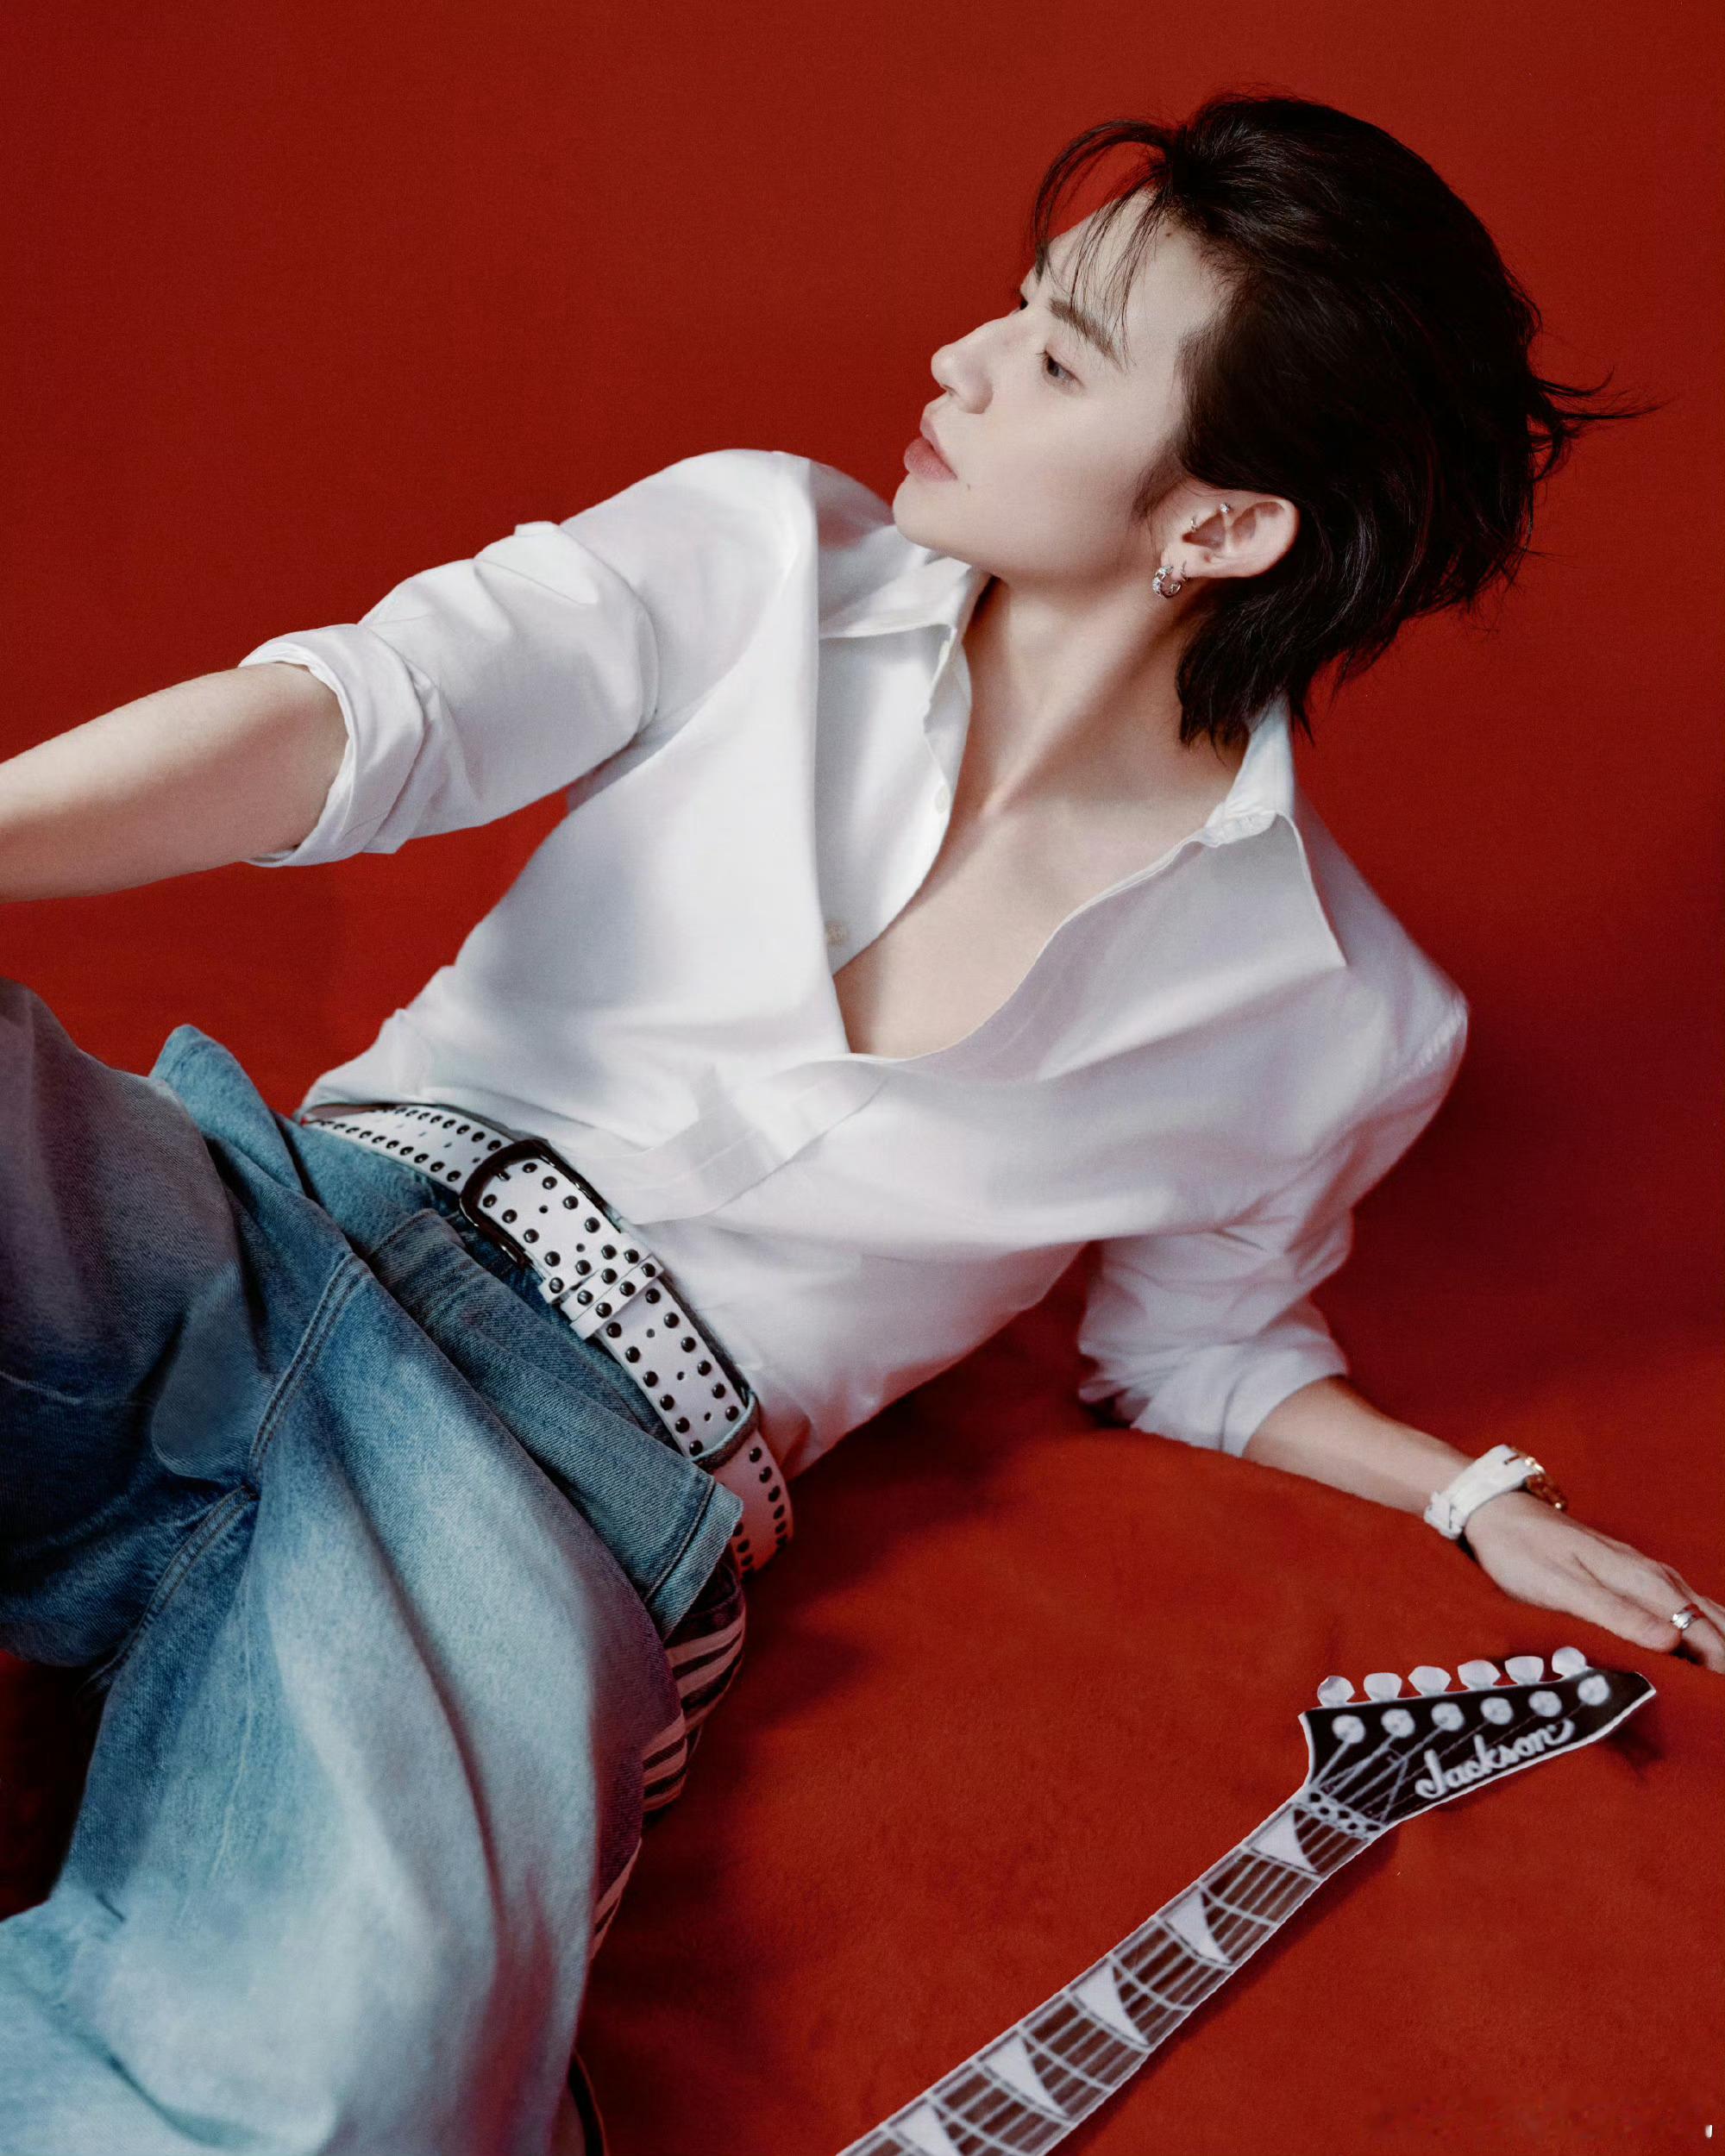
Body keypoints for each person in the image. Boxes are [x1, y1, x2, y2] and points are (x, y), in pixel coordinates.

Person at [1, 87, 1718, 2156]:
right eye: (1016, 307)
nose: (960, 361)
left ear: (1220, 527)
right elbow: (348, 723)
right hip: (259, 1219)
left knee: (343, 2097)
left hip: (549, 1491)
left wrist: (1470, 1493)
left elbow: (1198, 1348)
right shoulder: (756, 550)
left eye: (1059, 358)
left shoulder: (1338, 1011)